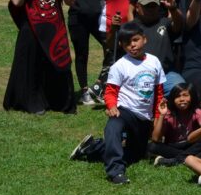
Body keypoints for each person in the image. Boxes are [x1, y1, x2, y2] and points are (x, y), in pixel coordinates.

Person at [68, 23, 166, 185]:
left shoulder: (154, 62)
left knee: (136, 154)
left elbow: (159, 93)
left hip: (144, 118)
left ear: (144, 39)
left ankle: (93, 147)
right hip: (124, 111)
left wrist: (156, 117)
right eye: (127, 43)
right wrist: (112, 106)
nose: (132, 45)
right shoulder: (119, 66)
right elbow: (110, 92)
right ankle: (116, 171)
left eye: (135, 40)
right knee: (113, 127)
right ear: (121, 45)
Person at [4, 0, 77, 115]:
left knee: (56, 65)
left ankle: (56, 101)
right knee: (33, 66)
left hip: (54, 31)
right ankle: (33, 102)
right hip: (32, 30)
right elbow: (16, 2)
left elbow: (71, 1)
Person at [148, 83, 201, 166]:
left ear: (192, 97)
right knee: (152, 146)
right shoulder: (168, 114)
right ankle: (194, 157)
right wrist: (162, 115)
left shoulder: (196, 112)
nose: (181, 99)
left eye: (185, 95)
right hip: (173, 146)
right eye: (177, 96)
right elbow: (155, 138)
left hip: (190, 144)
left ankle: (173, 161)